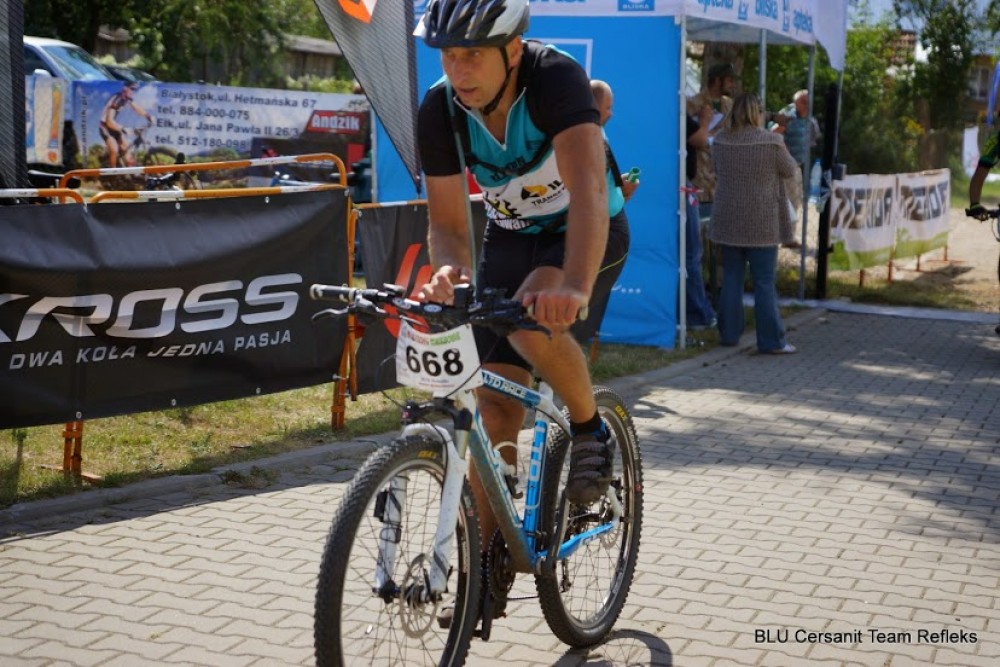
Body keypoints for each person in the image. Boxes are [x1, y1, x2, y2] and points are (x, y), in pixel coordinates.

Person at [413, 0, 627, 540]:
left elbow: (590, 193)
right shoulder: (439, 108)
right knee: (494, 406)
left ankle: (590, 429)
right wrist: (450, 273)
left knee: (531, 321)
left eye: (472, 55)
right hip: (510, 234)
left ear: (511, 50)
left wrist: (573, 282)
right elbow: (449, 225)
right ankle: (490, 561)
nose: (458, 70)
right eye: (448, 55)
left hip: (586, 229)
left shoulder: (554, 78)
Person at [709, 92, 798, 354]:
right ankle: (771, 341)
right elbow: (790, 170)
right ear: (757, 113)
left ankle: (729, 334)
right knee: (763, 283)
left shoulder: (721, 141)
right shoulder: (772, 142)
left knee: (731, 279)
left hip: (728, 218)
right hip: (762, 222)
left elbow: (717, 170)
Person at [575, 78, 635, 344]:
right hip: (604, 231)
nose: (612, 113)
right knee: (577, 306)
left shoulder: (597, 134)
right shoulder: (587, 138)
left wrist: (619, 187)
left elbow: (601, 185)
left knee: (585, 305)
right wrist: (620, 192)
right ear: (594, 106)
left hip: (608, 227)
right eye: (608, 107)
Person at [687, 62, 738, 220]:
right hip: (700, 179)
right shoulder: (692, 104)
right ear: (717, 80)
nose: (732, 84)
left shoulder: (729, 105)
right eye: (729, 80)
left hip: (722, 181)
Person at [685, 103, 717, 329]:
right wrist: (704, 120)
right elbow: (700, 139)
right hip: (681, 185)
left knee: (690, 252)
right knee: (691, 252)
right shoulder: (674, 109)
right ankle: (698, 314)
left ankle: (697, 309)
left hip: (682, 184)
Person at [99, 82, 153, 168]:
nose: (133, 91)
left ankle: (131, 171)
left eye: (135, 90)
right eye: (132, 89)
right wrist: (124, 129)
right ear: (125, 88)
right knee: (114, 149)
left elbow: (136, 108)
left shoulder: (127, 98)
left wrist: (148, 117)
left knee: (126, 148)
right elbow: (109, 121)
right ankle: (112, 171)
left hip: (113, 126)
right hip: (105, 126)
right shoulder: (117, 99)